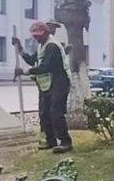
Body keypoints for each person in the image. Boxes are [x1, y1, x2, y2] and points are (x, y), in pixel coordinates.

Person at [14, 21, 73, 153]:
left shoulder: (52, 46)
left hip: (60, 82)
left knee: (56, 113)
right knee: (44, 113)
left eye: (39, 36)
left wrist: (24, 72)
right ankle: (51, 141)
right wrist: (19, 47)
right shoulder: (42, 45)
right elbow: (31, 60)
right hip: (47, 84)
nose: (37, 38)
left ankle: (65, 142)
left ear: (46, 33)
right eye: (35, 36)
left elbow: (46, 66)